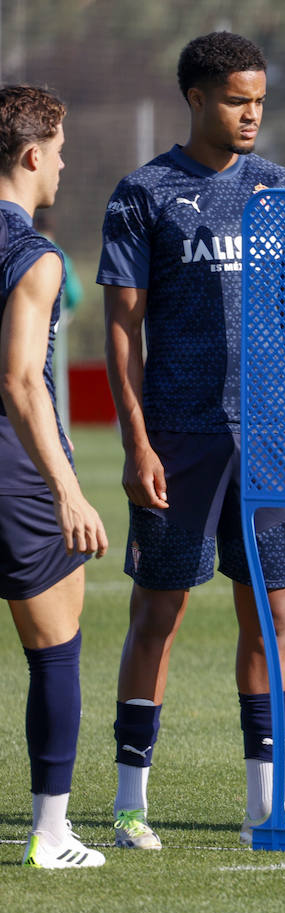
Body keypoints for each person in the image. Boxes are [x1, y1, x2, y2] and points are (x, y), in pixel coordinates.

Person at [98, 31, 285, 850]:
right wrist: (136, 442)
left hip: (273, 439)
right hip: (179, 440)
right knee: (159, 612)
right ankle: (126, 804)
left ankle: (265, 803)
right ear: (196, 98)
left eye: (259, 98)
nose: (251, 112)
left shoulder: (283, 189)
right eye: (235, 99)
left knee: (272, 618)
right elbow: (121, 330)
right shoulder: (143, 193)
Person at [0, 84, 108, 869]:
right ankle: (51, 832)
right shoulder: (34, 255)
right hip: (16, 470)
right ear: (33, 155)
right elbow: (20, 382)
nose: (66, 164)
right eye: (62, 150)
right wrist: (67, 488)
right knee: (56, 647)